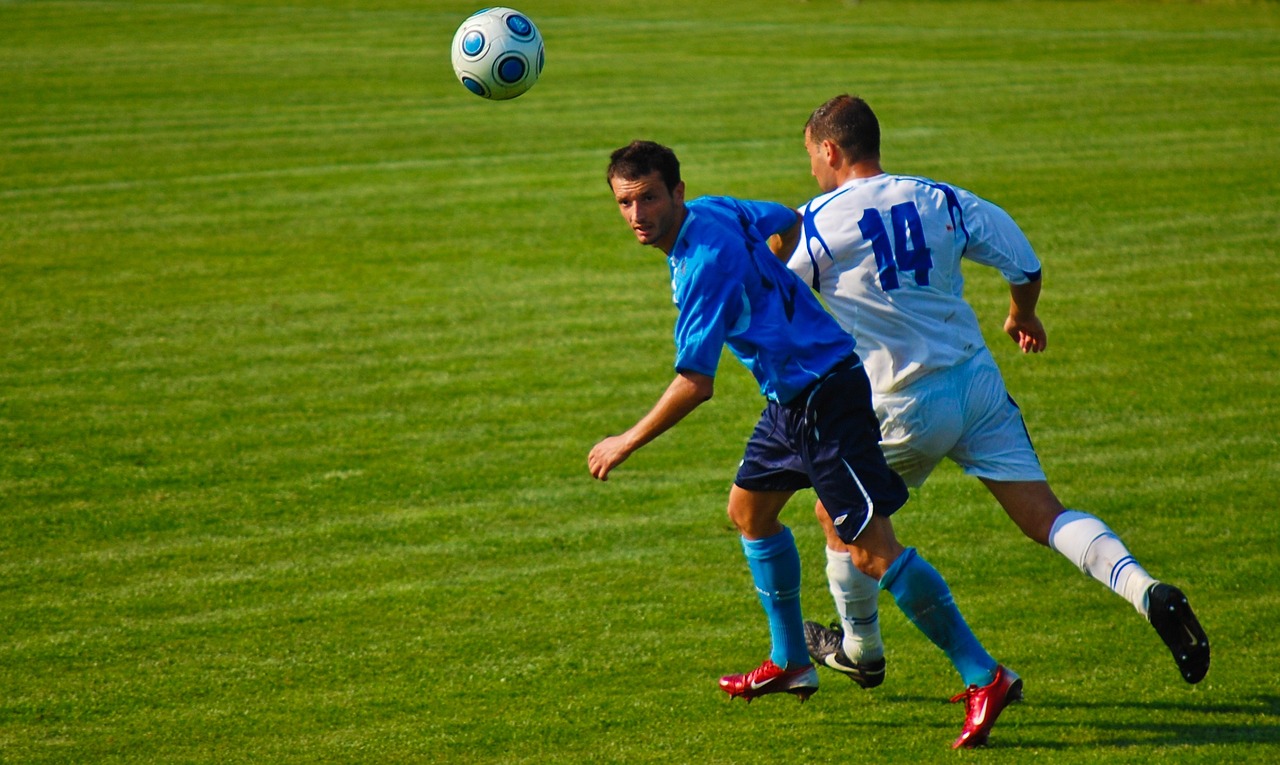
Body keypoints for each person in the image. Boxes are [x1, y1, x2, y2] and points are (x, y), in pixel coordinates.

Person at [779, 95, 1210, 715]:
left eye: (811, 157)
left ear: (830, 150)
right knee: (1045, 516)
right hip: (976, 386)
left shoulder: (813, 223)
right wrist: (1021, 314)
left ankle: (860, 649)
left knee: (834, 513)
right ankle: (1148, 591)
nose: (812, 171)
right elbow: (1022, 259)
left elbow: (773, 298)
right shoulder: (940, 197)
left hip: (898, 400)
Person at [590, 139, 1020, 749]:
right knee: (749, 511)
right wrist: (770, 291)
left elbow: (697, 382)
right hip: (790, 399)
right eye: (626, 203)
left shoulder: (703, 261)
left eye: (650, 197)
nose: (639, 215)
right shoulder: (716, 210)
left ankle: (986, 674)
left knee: (870, 551)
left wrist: (624, 442)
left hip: (825, 398)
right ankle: (792, 660)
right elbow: (787, 222)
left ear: (677, 192)